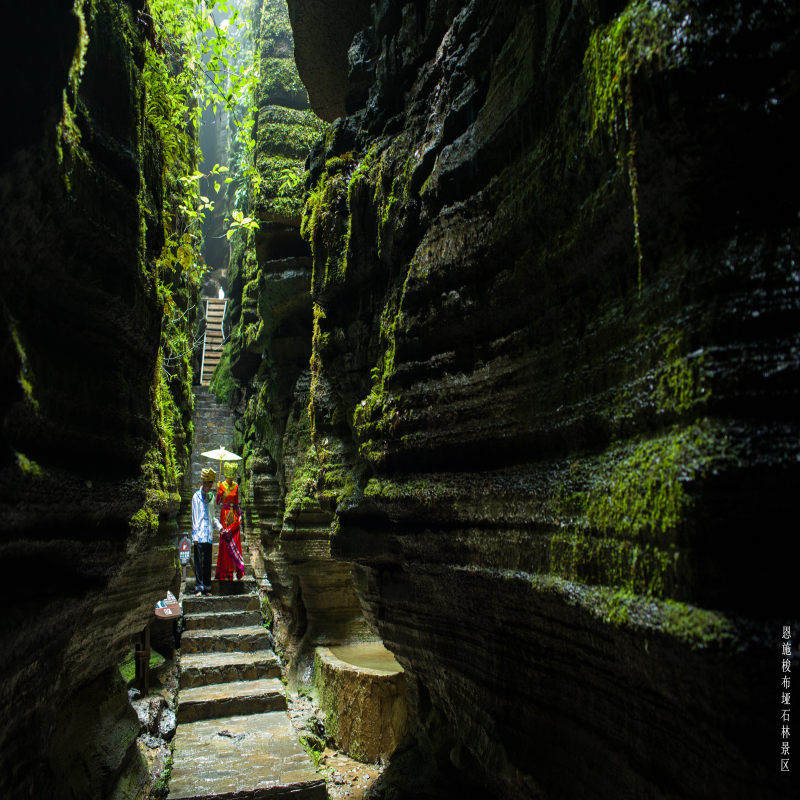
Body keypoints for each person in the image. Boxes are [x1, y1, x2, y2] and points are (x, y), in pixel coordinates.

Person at [191, 468, 222, 596]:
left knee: (208, 562)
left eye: (211, 484)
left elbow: (212, 516)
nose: (210, 486)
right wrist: (194, 535)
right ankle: (199, 588)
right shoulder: (196, 497)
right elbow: (194, 517)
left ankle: (207, 588)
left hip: (208, 535)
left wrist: (219, 527)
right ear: (203, 483)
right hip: (199, 535)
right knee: (198, 562)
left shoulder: (211, 497)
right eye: (208, 484)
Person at [215, 461, 245, 581]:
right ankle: (226, 571)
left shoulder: (236, 486)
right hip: (225, 515)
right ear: (226, 475)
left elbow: (237, 503)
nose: (231, 478)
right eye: (229, 476)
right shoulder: (222, 485)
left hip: (233, 515)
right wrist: (218, 491)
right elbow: (218, 502)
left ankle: (234, 570)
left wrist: (240, 514)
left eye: (232, 476)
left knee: (235, 542)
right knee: (225, 542)